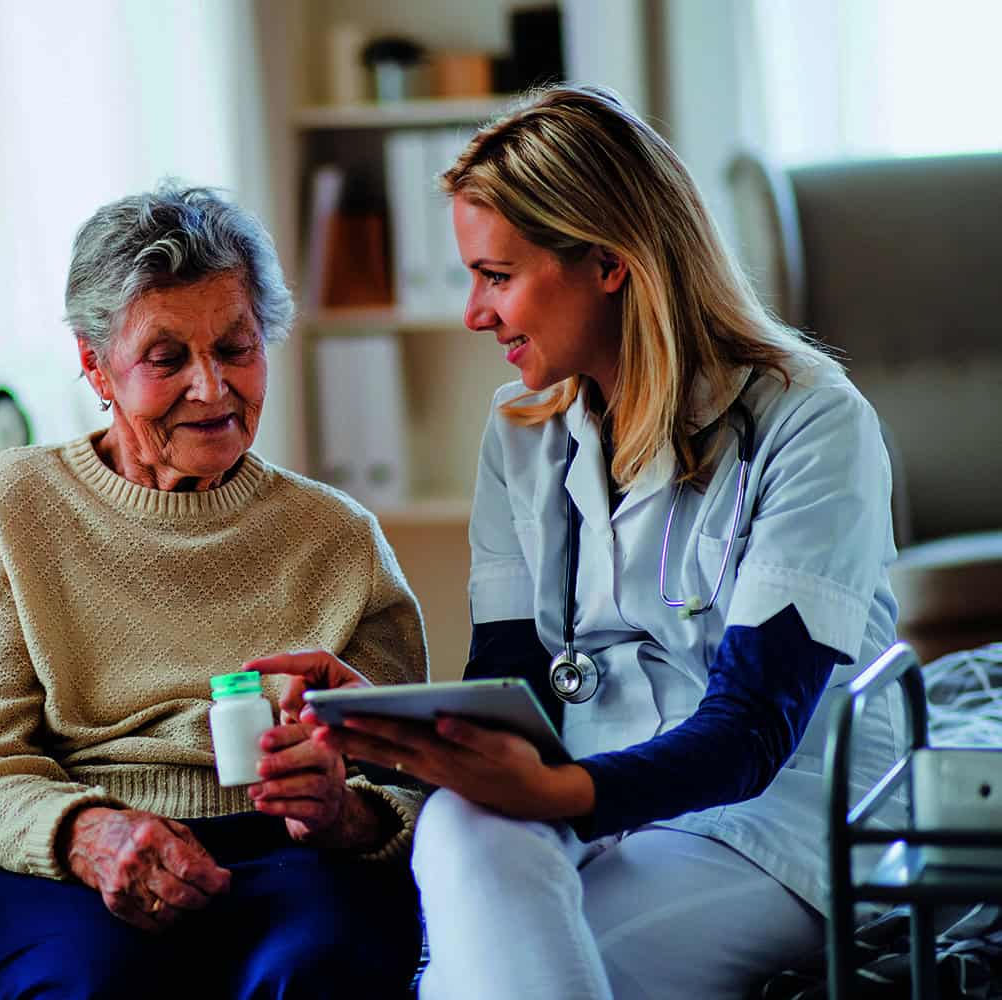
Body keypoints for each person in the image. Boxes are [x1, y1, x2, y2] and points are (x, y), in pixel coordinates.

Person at [249, 85, 901, 999]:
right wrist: (391, 722)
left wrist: (555, 796)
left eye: (497, 276)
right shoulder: (521, 429)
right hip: (580, 801)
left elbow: (750, 735)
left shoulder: (812, 422)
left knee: (520, 969)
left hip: (757, 824)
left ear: (608, 262)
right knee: (460, 830)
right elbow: (512, 681)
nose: (474, 313)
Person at [0, 183, 427, 1000]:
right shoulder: (7, 504)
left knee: (320, 976)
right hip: (78, 849)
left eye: (236, 348)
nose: (212, 388)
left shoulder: (339, 537)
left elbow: (410, 780)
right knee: (93, 985)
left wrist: (346, 813)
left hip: (292, 852)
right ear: (95, 365)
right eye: (166, 360)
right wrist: (90, 832)